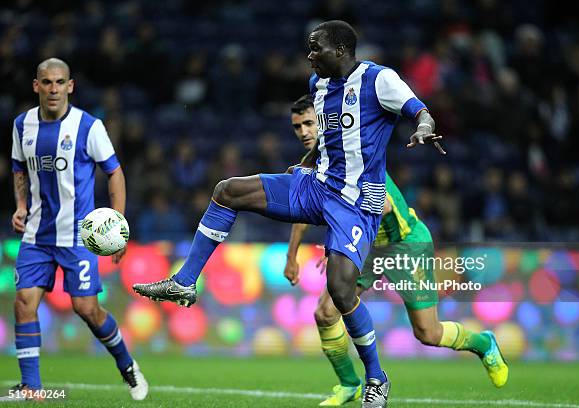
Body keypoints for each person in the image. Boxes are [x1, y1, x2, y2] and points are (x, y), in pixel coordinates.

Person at [134, 20, 441, 408]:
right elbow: (331, 141)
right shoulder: (319, 87)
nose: (310, 56)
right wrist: (305, 163)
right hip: (316, 187)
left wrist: (425, 128)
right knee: (227, 191)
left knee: (342, 289)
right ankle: (184, 281)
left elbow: (419, 110)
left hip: (357, 201)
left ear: (341, 51)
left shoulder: (379, 80)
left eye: (317, 49)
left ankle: (376, 378)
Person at [284, 96, 509, 406]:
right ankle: (349, 384)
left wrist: (341, 241)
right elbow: (303, 207)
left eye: (309, 123)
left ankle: (484, 343)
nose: (304, 131)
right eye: (297, 126)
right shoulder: (316, 164)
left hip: (404, 242)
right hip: (367, 245)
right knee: (325, 312)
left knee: (428, 333)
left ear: (323, 122)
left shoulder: (351, 153)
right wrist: (291, 255)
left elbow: (382, 206)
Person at [8, 58, 147, 400]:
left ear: (70, 86)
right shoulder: (21, 125)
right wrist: (22, 206)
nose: (53, 89)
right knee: (24, 302)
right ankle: (32, 387)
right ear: (35, 86)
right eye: (46, 82)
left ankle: (127, 364)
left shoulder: (88, 126)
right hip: (37, 235)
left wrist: (117, 226)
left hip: (77, 236)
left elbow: (114, 172)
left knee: (86, 309)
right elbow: (18, 169)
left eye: (59, 82)